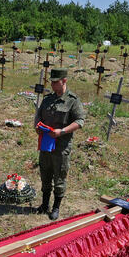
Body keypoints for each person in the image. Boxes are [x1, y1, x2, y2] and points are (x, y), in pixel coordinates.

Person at [32, 67, 86, 220]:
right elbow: (39, 116)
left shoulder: (72, 101)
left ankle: (56, 207)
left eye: (56, 82)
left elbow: (80, 121)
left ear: (64, 81)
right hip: (46, 144)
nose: (53, 85)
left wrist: (61, 131)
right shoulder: (48, 99)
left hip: (61, 146)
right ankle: (44, 204)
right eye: (52, 82)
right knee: (45, 174)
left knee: (59, 176)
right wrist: (37, 126)